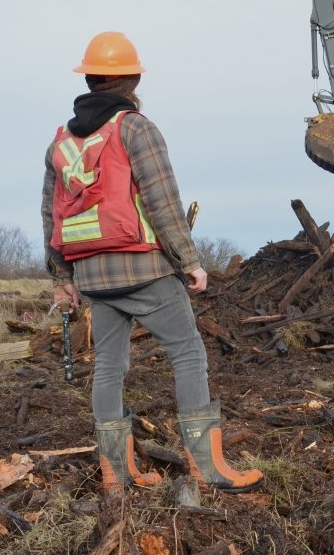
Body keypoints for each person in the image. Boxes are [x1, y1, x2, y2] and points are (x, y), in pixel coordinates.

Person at [41, 32, 263, 493]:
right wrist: (190, 262)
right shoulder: (135, 128)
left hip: (93, 276)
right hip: (141, 268)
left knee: (108, 365)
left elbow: (51, 212)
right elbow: (163, 200)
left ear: (89, 79)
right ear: (133, 78)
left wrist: (63, 278)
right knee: (187, 351)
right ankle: (209, 468)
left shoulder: (61, 142)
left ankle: (116, 476)